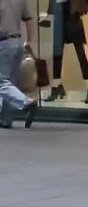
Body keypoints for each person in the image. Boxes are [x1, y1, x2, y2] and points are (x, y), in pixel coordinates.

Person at [0, 0, 38, 129]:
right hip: (17, 41)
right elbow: (28, 18)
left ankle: (25, 102)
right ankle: (6, 119)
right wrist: (28, 41)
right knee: (12, 81)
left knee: (2, 81)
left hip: (3, 42)